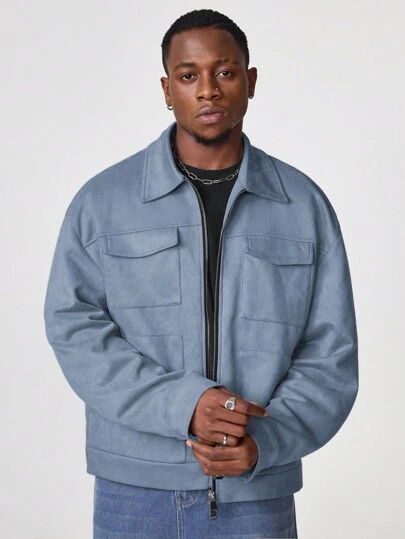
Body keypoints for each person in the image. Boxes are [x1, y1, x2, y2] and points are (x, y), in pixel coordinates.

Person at [43, 8, 358, 539]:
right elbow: (74, 329)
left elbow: (331, 352)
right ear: (167, 90)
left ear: (250, 82)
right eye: (188, 75)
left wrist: (266, 441)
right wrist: (184, 404)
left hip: (257, 491)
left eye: (225, 72)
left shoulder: (303, 206)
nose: (208, 89)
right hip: (134, 492)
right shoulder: (103, 203)